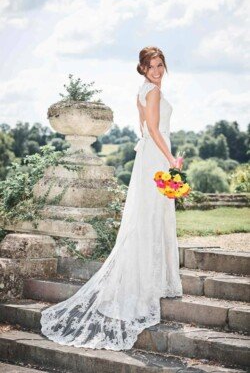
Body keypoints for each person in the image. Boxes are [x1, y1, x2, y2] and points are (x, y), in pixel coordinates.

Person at [40, 46, 183, 351]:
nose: (157, 71)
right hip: (156, 155)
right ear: (143, 69)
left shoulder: (141, 91)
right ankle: (150, 283)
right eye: (152, 67)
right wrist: (171, 159)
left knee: (146, 218)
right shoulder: (153, 92)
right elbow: (155, 130)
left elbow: (143, 130)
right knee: (150, 217)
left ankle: (147, 280)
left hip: (147, 156)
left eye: (160, 66)